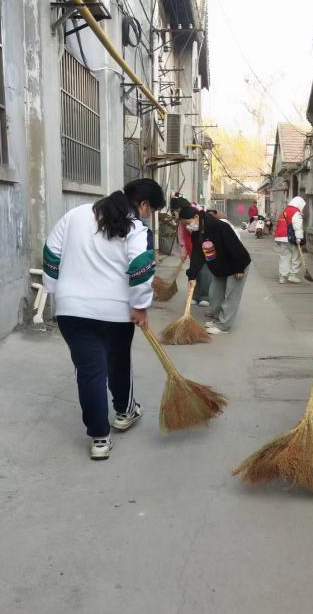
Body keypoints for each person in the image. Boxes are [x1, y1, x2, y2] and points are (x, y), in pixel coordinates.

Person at [43, 178, 166, 460]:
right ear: (143, 205)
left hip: (72, 310)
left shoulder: (75, 215)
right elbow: (141, 267)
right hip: (115, 313)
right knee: (118, 362)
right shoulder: (136, 228)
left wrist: (57, 290)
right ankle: (125, 412)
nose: (148, 216)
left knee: (89, 372)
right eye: (151, 210)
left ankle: (99, 438)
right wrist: (140, 306)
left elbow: (51, 253)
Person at [178, 207, 251, 335]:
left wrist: (239, 267)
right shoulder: (197, 232)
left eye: (188, 223)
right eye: (185, 225)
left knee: (231, 296)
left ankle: (224, 326)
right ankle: (218, 320)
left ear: (196, 217)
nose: (188, 227)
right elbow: (197, 255)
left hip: (236, 263)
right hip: (220, 266)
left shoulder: (218, 226)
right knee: (214, 294)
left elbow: (234, 246)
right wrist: (192, 275)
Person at [172, 197, 212, 307]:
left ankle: (205, 296)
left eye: (178, 210)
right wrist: (183, 250)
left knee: (205, 272)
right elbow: (181, 234)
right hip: (192, 247)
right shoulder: (183, 218)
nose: (178, 213)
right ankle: (194, 296)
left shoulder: (197, 214)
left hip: (205, 246)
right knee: (195, 271)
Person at [274, 196, 307, 284]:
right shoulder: (296, 212)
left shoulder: (285, 210)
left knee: (284, 257)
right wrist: (299, 238)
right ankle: (292, 275)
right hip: (291, 238)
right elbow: (297, 226)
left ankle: (282, 277)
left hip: (281, 237)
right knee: (296, 256)